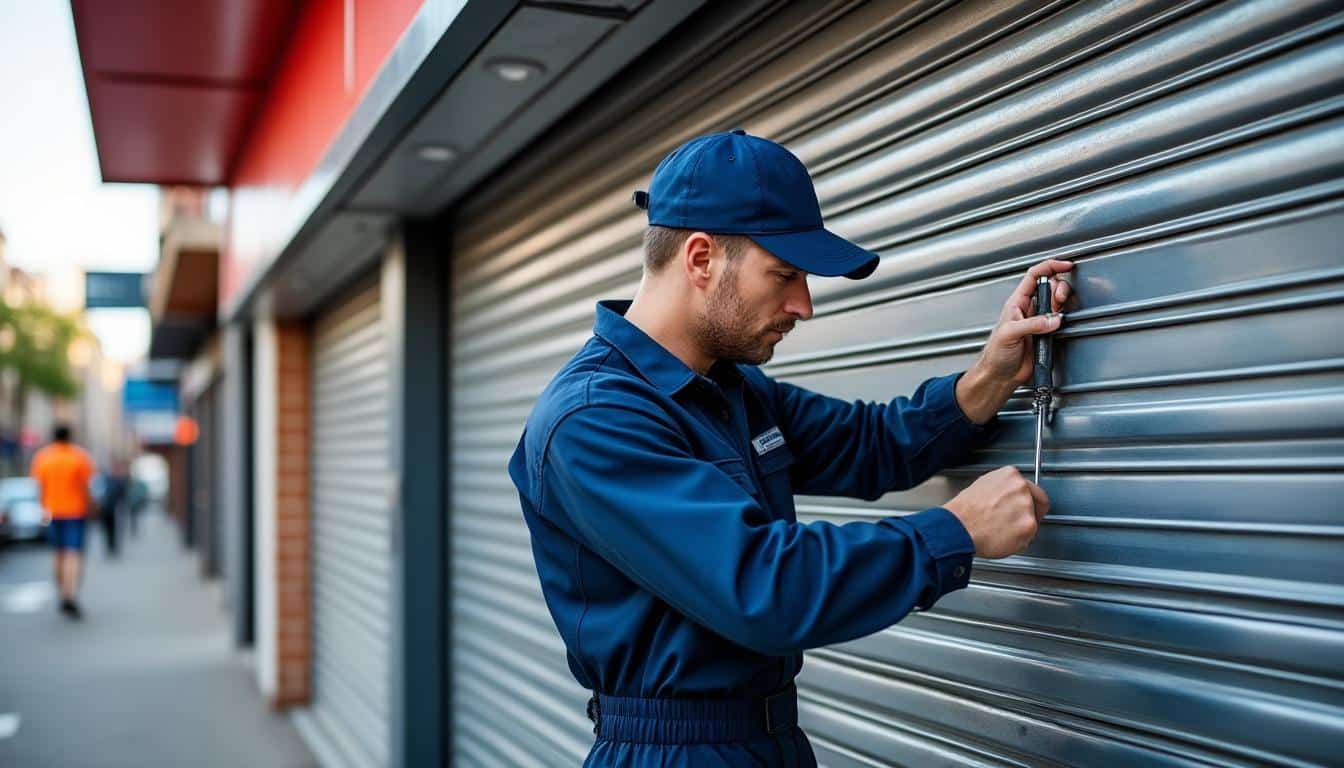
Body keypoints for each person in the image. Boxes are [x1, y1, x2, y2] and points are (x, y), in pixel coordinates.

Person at [509, 130, 1073, 767]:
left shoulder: (734, 390)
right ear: (701, 259)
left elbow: (870, 443)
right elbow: (763, 586)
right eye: (785, 274)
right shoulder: (595, 418)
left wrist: (989, 378)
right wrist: (956, 531)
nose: (802, 305)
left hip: (768, 742)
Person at [31, 425, 97, 619]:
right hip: (75, 512)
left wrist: (43, 508)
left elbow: (40, 487)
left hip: (52, 512)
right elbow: (86, 487)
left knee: (57, 554)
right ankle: (70, 594)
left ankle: (62, 593)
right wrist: (91, 506)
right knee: (73, 554)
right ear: (70, 436)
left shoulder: (43, 458)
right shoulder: (79, 457)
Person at [99, 459, 130, 557]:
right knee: (108, 529)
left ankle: (114, 547)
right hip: (106, 508)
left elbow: (123, 495)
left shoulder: (120, 481)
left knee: (116, 529)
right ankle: (109, 546)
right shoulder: (107, 479)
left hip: (115, 508)